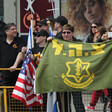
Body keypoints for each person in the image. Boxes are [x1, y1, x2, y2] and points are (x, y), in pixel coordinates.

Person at [85, 25, 110, 111]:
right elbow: (95, 47)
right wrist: (101, 39)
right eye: (109, 32)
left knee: (102, 85)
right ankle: (92, 104)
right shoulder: (101, 39)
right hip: (102, 67)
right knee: (99, 86)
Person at [62, 24, 85, 112]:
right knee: (65, 103)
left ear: (72, 33)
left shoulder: (78, 43)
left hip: (76, 76)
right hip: (64, 76)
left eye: (68, 32)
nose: (66, 34)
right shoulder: (59, 44)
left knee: (77, 101)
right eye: (64, 32)